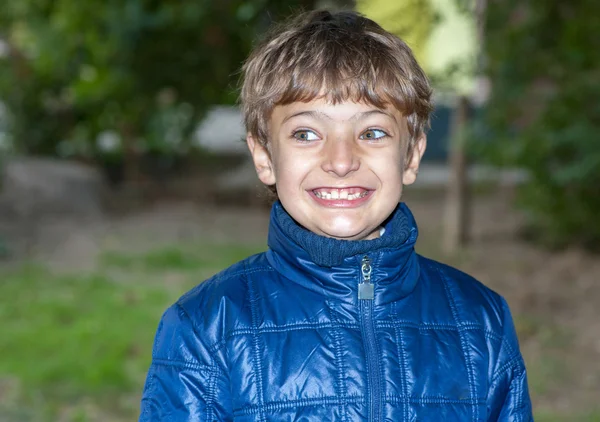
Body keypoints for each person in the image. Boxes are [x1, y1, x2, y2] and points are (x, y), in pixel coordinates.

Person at [139, 10, 533, 421]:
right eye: (306, 134)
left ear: (412, 155)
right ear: (264, 156)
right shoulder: (205, 327)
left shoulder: (481, 320)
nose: (341, 160)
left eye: (372, 133)